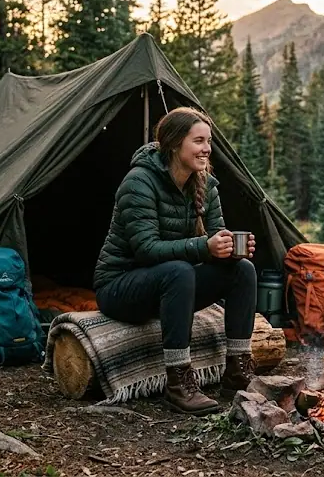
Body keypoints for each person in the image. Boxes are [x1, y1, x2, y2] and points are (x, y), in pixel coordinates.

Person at [93, 106, 258, 416]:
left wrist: (229, 248)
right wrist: (204, 247)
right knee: (179, 271)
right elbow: (145, 249)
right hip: (120, 287)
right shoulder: (139, 182)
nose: (207, 149)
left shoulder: (205, 185)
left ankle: (237, 372)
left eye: (208, 141)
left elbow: (212, 237)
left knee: (242, 270)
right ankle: (179, 383)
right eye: (198, 141)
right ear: (173, 143)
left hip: (168, 286)